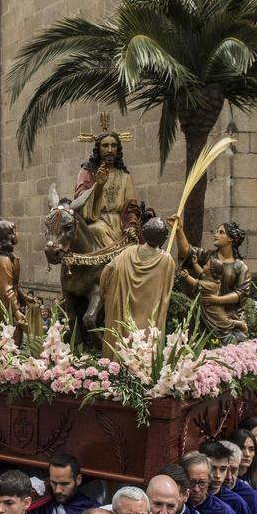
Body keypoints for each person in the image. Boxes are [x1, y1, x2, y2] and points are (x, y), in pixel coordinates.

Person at [100, 217, 178, 356]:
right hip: (148, 319)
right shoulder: (167, 260)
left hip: (123, 313)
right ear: (164, 238)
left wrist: (105, 295)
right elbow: (166, 294)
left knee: (121, 346)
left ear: (143, 233)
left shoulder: (128, 252)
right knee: (143, 354)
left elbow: (107, 270)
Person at [73, 128, 140, 252]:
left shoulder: (125, 176)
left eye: (113, 146)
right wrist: (98, 185)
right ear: (98, 149)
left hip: (120, 225)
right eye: (105, 146)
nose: (110, 150)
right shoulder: (87, 172)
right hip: (96, 222)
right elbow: (80, 203)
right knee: (98, 229)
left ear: (118, 149)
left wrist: (130, 225)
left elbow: (131, 206)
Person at [30, 453, 98, 514]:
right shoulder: (42, 504)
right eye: (54, 483)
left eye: (64, 484)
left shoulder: (92, 511)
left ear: (78, 480)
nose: (58, 490)